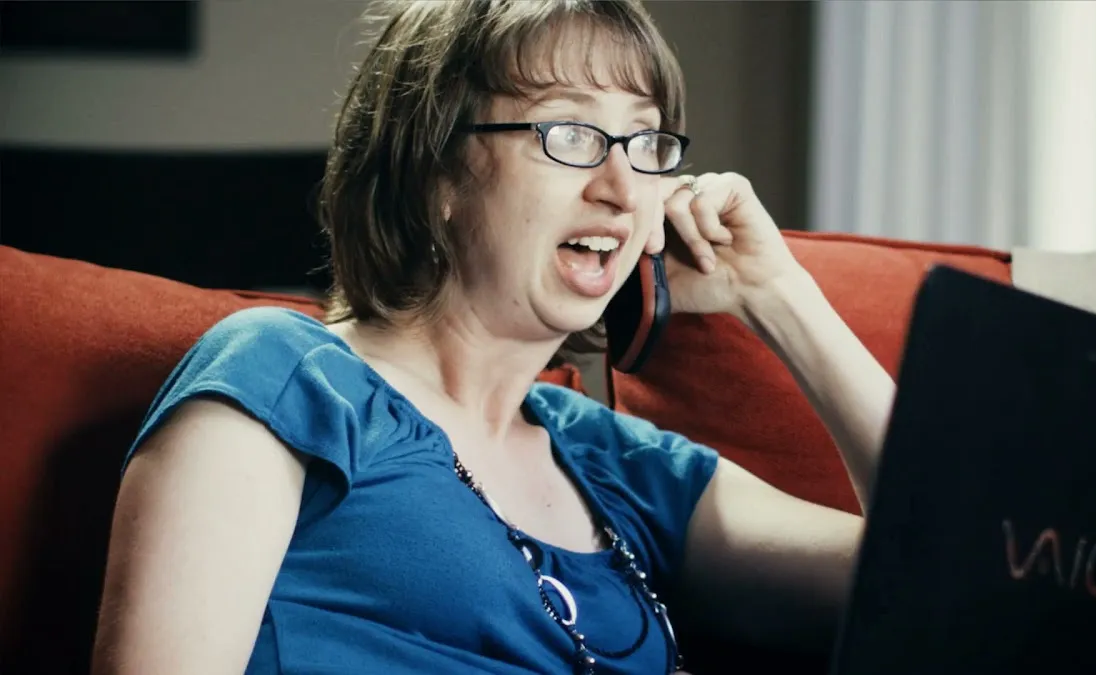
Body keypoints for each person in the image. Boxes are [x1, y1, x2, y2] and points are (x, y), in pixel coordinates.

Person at [91, 1, 896, 673]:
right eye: (570, 133)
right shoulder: (288, 377)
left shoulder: (618, 464)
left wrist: (779, 296)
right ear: (436, 171)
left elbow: (946, 581)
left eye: (646, 141)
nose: (623, 189)